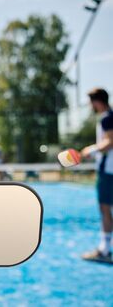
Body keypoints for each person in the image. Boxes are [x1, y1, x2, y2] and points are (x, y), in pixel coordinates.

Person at [81, 88, 113, 262]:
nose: (90, 105)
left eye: (91, 101)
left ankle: (105, 250)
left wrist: (89, 151)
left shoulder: (108, 118)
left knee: (105, 208)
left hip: (108, 171)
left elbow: (110, 141)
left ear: (98, 101)